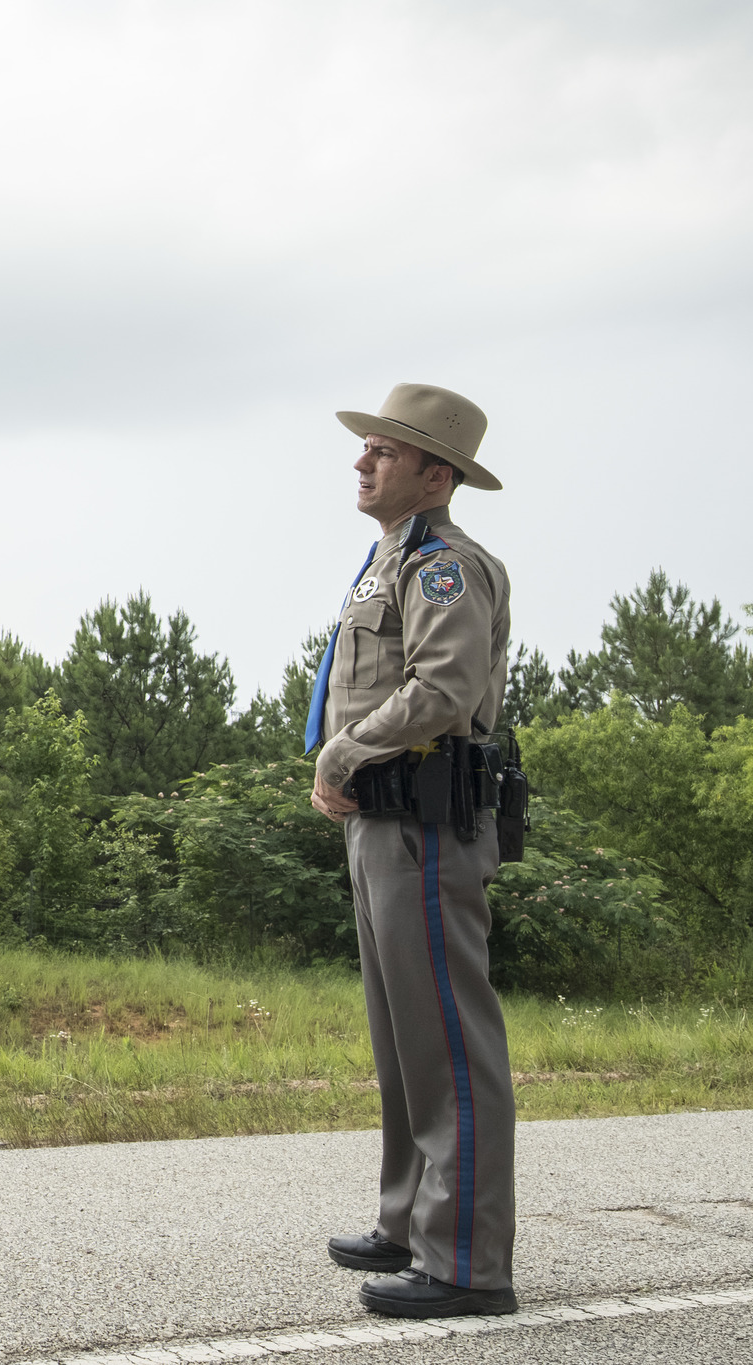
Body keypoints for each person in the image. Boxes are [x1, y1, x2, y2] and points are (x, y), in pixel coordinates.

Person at [305, 383, 517, 1320]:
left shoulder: (445, 567)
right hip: (380, 824)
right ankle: (409, 1222)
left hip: (427, 827)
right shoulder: (386, 560)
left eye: (385, 452)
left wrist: (343, 751)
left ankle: (467, 1261)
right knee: (401, 1044)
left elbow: (441, 690)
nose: (363, 460)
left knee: (449, 1047)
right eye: (368, 448)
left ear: (436, 475)